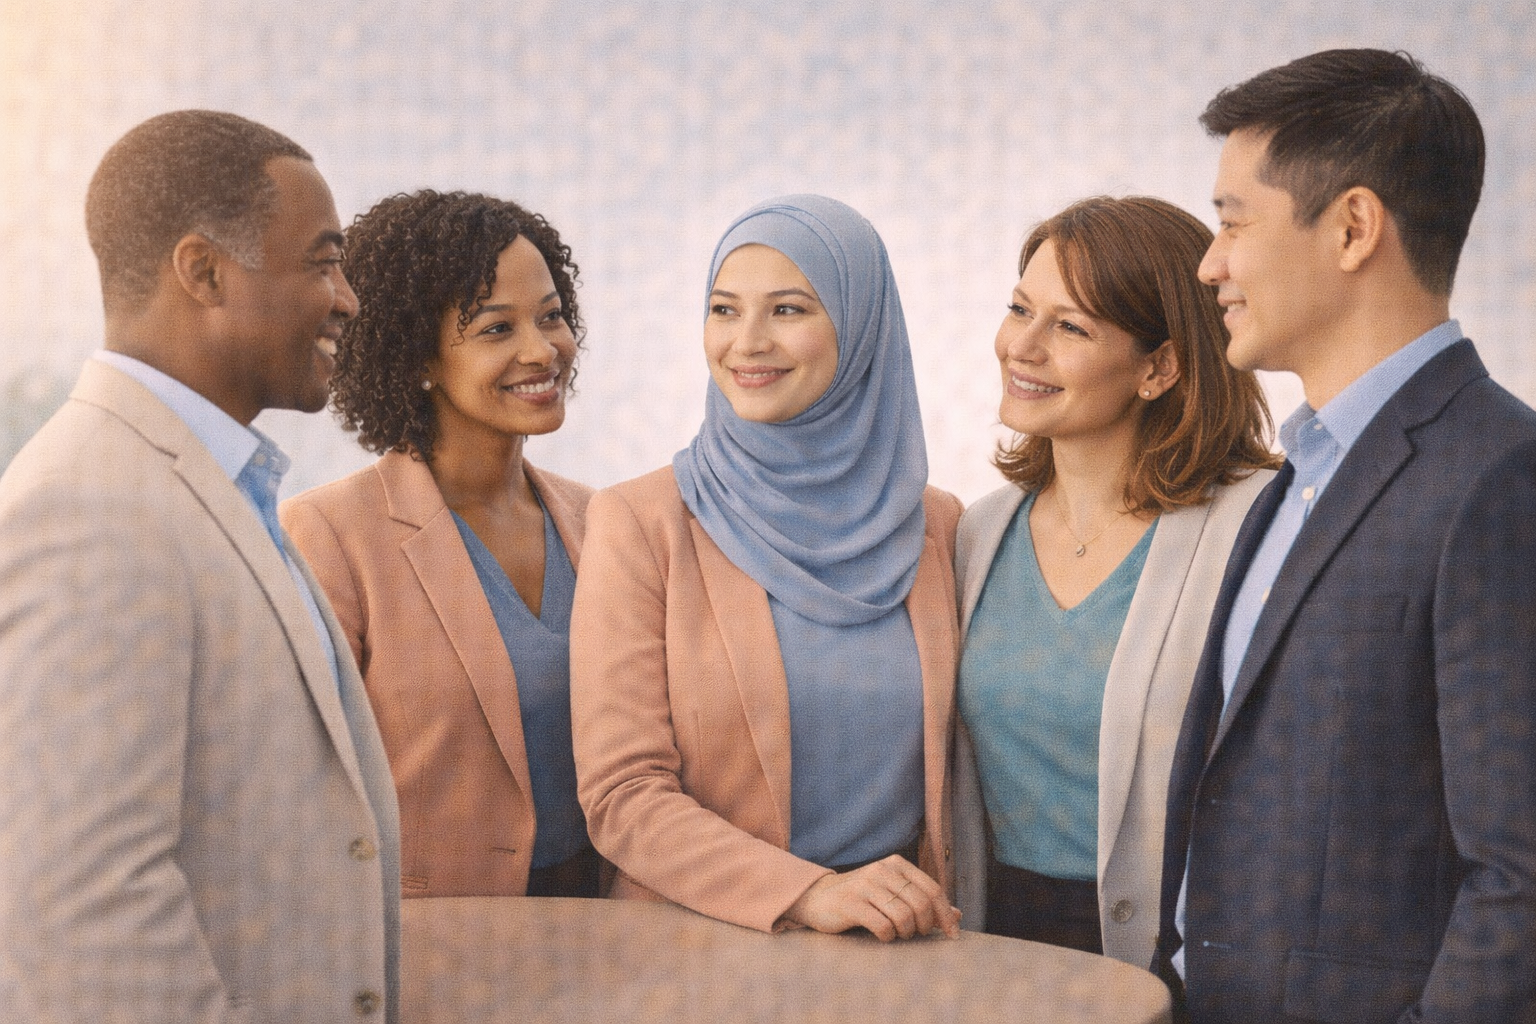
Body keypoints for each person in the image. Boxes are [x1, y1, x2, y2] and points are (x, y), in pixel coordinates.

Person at [1156, 49, 1536, 1022]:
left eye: (1233, 220)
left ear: (1354, 227)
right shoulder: (1296, 477)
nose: (1209, 263)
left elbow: (1522, 877)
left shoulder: (1502, 477)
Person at [0, 111, 401, 1022]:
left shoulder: (214, 488)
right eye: (322, 263)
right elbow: (78, 917)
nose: (348, 299)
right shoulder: (92, 508)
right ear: (204, 272)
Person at [570, 195, 963, 941]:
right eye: (724, 310)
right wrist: (808, 892)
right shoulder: (642, 523)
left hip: (899, 950)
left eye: (787, 310)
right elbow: (622, 793)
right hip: (699, 949)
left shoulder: (937, 526)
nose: (747, 343)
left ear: (861, 325)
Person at [950, 196, 1277, 969]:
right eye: (1019, 309)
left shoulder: (1256, 526)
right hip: (994, 946)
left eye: (1070, 327)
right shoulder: (975, 534)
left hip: (1187, 956)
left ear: (1159, 367)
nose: (1022, 347)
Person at [281, 190, 600, 899]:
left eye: (551, 316)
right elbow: (297, 786)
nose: (541, 350)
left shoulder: (603, 523)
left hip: (612, 925)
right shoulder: (329, 536)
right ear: (417, 356)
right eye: (497, 328)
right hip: (433, 936)